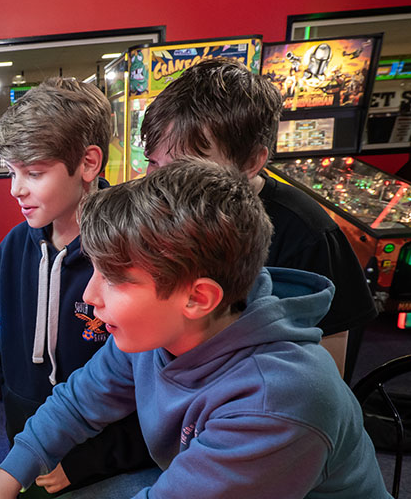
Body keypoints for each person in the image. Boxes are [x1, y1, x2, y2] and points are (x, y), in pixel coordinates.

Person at [0, 158, 411, 499]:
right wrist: (2, 485)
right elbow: (78, 402)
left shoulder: (279, 401)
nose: (89, 294)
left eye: (115, 279)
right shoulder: (163, 333)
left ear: (198, 297)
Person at [0, 78, 154, 499]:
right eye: (11, 172)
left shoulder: (130, 252)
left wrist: (87, 462)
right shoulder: (13, 248)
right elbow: (6, 339)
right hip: (24, 434)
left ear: (88, 163)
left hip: (104, 456)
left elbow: (152, 379)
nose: (16, 189)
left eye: (33, 172)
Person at [140, 57, 376, 380]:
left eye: (185, 167)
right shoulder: (154, 209)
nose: (162, 185)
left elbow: (326, 373)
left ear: (252, 160)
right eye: (153, 162)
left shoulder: (308, 235)